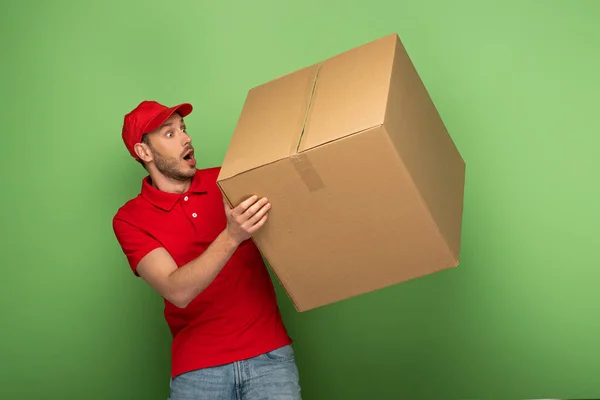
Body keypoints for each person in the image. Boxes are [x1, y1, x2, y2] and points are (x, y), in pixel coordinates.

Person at [112, 100, 302, 399]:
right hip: (198, 372)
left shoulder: (228, 181)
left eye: (184, 129)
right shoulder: (130, 219)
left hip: (270, 359)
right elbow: (176, 290)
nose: (187, 138)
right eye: (170, 133)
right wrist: (231, 236)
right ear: (144, 152)